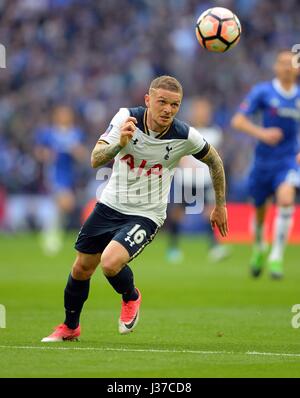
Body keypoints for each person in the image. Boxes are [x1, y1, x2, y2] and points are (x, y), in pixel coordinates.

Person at [41, 76, 228, 342]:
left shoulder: (185, 135)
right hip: (110, 205)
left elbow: (215, 162)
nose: (168, 110)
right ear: (148, 100)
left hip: (146, 214)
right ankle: (70, 327)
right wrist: (119, 143)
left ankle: (131, 296)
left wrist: (220, 205)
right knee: (81, 268)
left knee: (109, 262)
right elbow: (95, 158)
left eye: (175, 105)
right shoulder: (126, 119)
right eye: (162, 102)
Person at [231, 50, 300, 279]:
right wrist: (262, 133)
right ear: (275, 67)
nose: (287, 67)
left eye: (291, 63)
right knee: (260, 211)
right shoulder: (263, 92)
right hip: (262, 162)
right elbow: (238, 120)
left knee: (286, 199)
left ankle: (277, 256)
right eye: (282, 63)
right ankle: (259, 246)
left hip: (288, 161)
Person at [166, 97, 230, 263]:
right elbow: (175, 153)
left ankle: (214, 247)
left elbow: (218, 157)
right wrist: (182, 162)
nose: (202, 113)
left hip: (205, 180)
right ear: (194, 112)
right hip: (185, 180)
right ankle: (173, 248)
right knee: (177, 213)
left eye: (205, 110)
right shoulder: (184, 131)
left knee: (210, 212)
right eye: (199, 110)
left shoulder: (215, 133)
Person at [35, 105, 87, 255]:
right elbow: (39, 152)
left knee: (63, 206)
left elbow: (83, 154)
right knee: (64, 202)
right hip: (54, 173)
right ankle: (51, 237)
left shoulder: (76, 133)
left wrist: (75, 150)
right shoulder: (49, 133)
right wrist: (48, 154)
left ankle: (52, 234)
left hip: (71, 174)